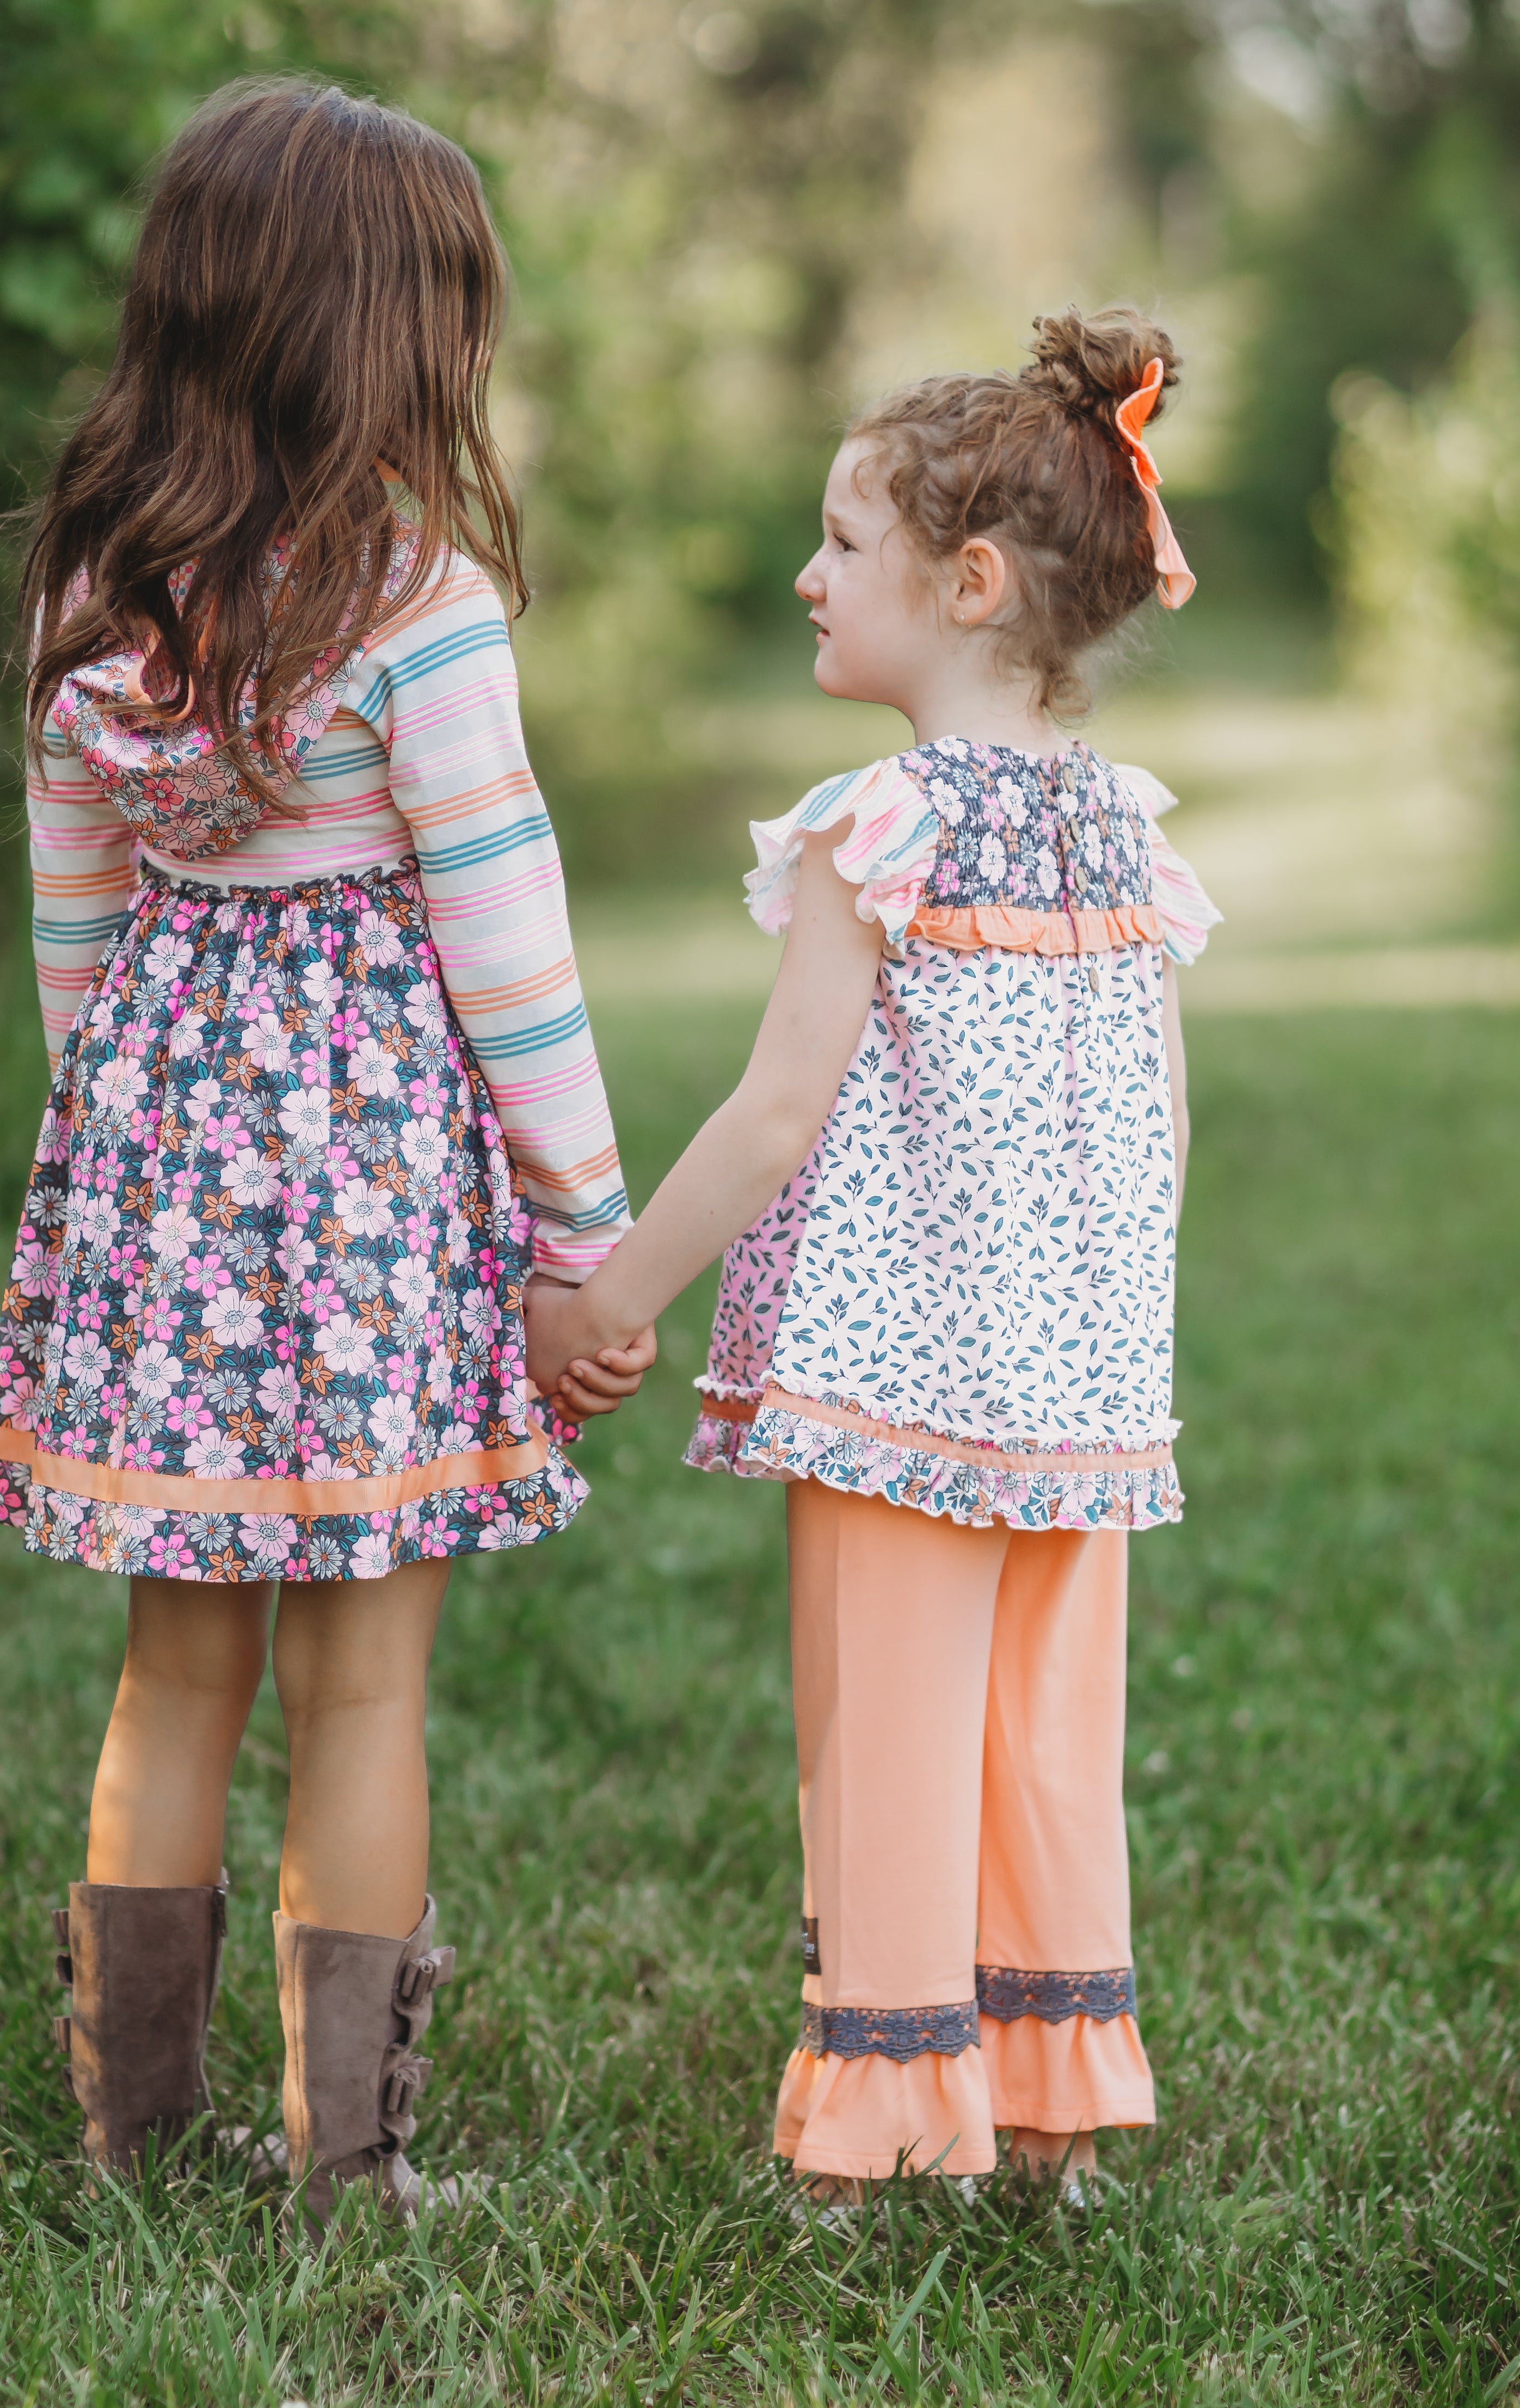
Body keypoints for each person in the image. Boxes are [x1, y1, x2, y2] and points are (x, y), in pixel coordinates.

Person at [0, 77, 650, 2224]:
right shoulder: (415, 597)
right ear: (376, 334)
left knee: (178, 1663)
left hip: (168, 1162)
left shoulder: (99, 575)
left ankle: (135, 2135)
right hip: (363, 1190)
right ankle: (347, 2162)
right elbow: (506, 937)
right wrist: (582, 1228)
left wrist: (123, 1150)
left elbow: (74, 905)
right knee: (364, 1670)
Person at [531, 306, 1221, 2201]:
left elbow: (772, 1116)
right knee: (1045, 1735)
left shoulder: (883, 828)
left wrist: (611, 1297)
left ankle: (885, 2127)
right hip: (1077, 1394)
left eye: (843, 544)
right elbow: (1163, 1124)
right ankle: (1058, 2107)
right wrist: (1100, 1326)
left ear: (967, 581)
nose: (809, 576)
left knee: (889, 1731)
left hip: (896, 1380)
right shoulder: (1120, 832)